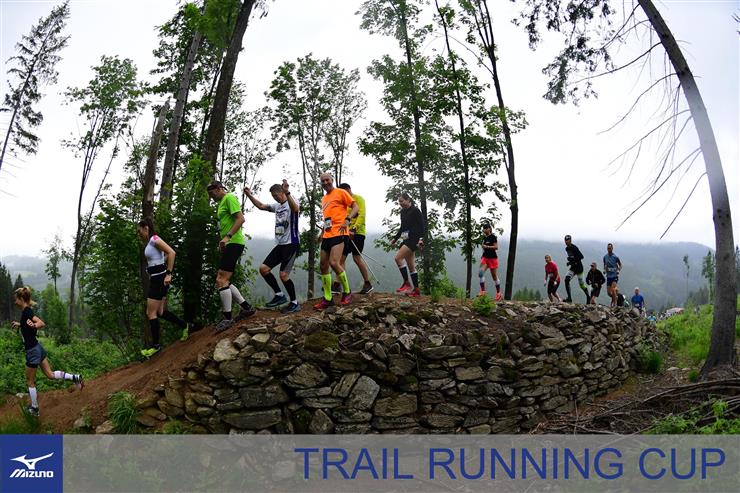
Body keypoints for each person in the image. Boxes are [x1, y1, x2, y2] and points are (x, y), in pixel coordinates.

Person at [11, 287, 83, 417]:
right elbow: (28, 324)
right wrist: (21, 324)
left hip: (32, 351)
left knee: (30, 381)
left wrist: (34, 325)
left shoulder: (27, 312)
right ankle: (75, 378)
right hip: (38, 347)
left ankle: (34, 409)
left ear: (21, 299)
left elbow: (41, 323)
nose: (15, 301)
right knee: (50, 374)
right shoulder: (26, 312)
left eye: (16, 299)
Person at [244, 181, 301, 314]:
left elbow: (295, 209)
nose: (275, 198)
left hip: (291, 243)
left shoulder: (292, 201)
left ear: (282, 192)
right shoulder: (277, 206)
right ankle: (279, 295)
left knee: (283, 275)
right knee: (264, 269)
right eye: (273, 197)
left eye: (276, 195)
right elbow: (261, 206)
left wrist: (287, 192)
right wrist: (249, 195)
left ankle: (294, 303)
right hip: (280, 244)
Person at [206, 181, 256, 330]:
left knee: (221, 279)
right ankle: (246, 308)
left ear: (219, 189)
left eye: (212, 193)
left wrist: (228, 237)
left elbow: (241, 218)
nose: (211, 197)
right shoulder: (222, 202)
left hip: (234, 242)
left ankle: (228, 319)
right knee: (223, 279)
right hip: (230, 244)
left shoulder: (229, 198)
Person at [137, 217, 189, 357]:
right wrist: (158, 264)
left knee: (150, 313)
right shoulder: (151, 242)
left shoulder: (154, 239)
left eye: (139, 231)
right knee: (160, 312)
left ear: (146, 228)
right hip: (158, 278)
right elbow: (163, 256)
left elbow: (171, 252)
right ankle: (184, 325)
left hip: (159, 280)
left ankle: (156, 346)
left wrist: (169, 274)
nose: (139, 234)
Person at [314, 172, 359, 310]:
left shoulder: (340, 192)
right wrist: (322, 232)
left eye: (327, 180)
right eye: (322, 181)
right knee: (323, 265)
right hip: (327, 234)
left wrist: (348, 219)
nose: (325, 183)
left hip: (340, 232)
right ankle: (328, 298)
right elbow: (328, 218)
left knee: (334, 263)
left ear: (332, 179)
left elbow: (355, 207)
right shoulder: (324, 199)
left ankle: (347, 292)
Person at [335, 183, 373, 295]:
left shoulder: (358, 199)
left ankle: (367, 283)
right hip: (346, 233)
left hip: (358, 233)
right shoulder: (345, 203)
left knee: (356, 258)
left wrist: (354, 229)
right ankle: (337, 285)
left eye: (343, 192)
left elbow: (362, 215)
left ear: (348, 189)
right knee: (341, 259)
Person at [391, 193, 425, 297]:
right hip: (406, 239)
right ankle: (416, 290)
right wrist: (395, 238)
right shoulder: (402, 212)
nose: (400, 203)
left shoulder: (415, 210)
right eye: (399, 202)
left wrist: (421, 240)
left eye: (402, 201)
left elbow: (422, 226)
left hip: (414, 239)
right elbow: (402, 227)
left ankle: (406, 283)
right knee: (411, 266)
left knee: (398, 258)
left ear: (408, 199)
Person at [478, 223, 502, 300]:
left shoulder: (493, 237)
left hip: (492, 259)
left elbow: (496, 247)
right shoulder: (485, 238)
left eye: (485, 228)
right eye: (483, 228)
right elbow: (484, 248)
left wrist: (487, 246)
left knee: (494, 277)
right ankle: (483, 291)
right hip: (485, 258)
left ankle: (498, 293)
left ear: (489, 229)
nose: (484, 230)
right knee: (480, 273)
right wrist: (483, 254)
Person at [563, 235, 590, 303]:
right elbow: (572, 257)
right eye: (565, 240)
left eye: (568, 240)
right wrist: (569, 261)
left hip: (579, 268)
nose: (566, 242)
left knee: (582, 285)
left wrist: (571, 260)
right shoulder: (567, 249)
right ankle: (569, 298)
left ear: (570, 240)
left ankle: (588, 297)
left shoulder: (574, 248)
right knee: (566, 280)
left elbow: (581, 256)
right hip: (573, 268)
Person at [603, 243, 622, 307]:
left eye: (610, 248)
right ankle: (616, 297)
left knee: (613, 289)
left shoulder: (615, 257)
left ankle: (615, 304)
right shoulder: (605, 257)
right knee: (609, 293)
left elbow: (620, 265)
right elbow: (605, 265)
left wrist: (618, 270)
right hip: (609, 276)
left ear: (612, 248)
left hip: (614, 276)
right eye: (608, 248)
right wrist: (604, 270)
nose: (609, 249)